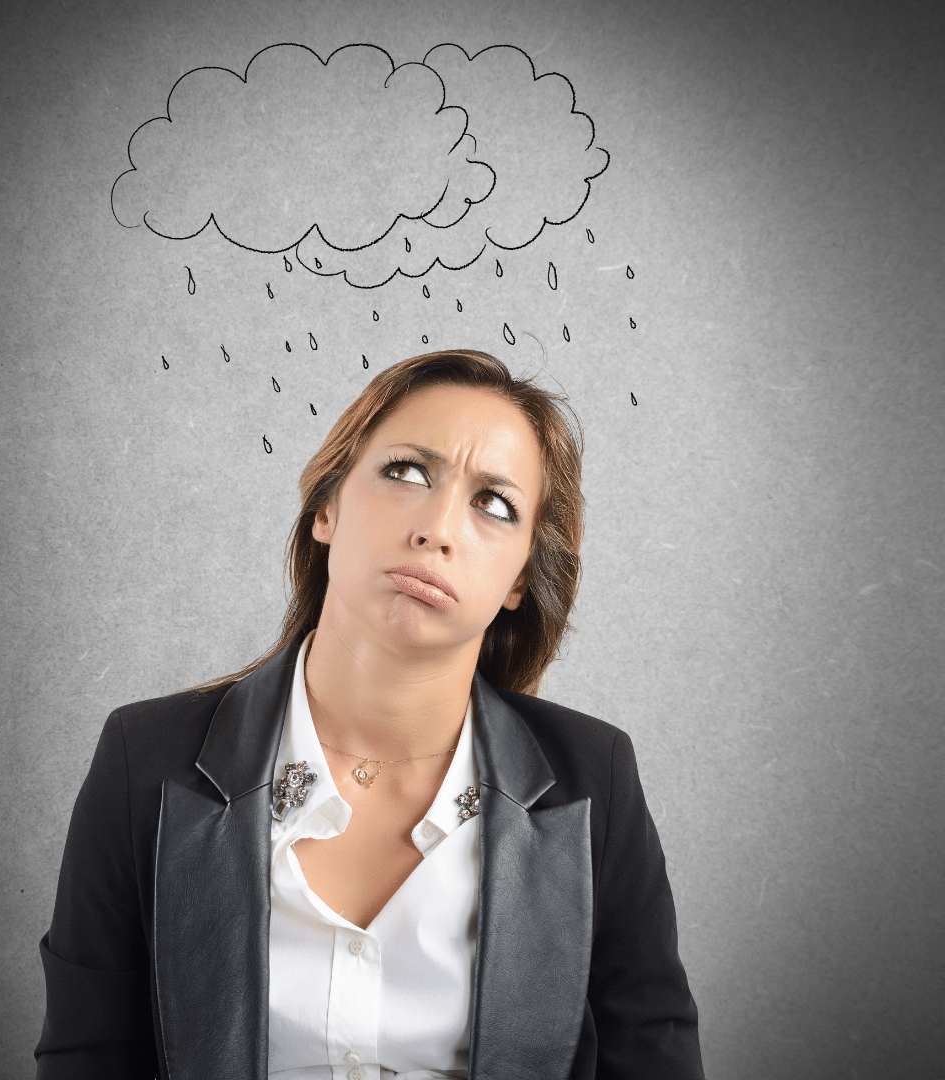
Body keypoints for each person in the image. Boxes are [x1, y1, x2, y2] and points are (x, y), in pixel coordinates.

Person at [34, 348, 705, 1079]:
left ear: (518, 581)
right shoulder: (145, 758)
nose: (438, 528)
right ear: (327, 506)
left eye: (494, 504)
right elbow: (87, 1059)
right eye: (407, 472)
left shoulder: (593, 782)